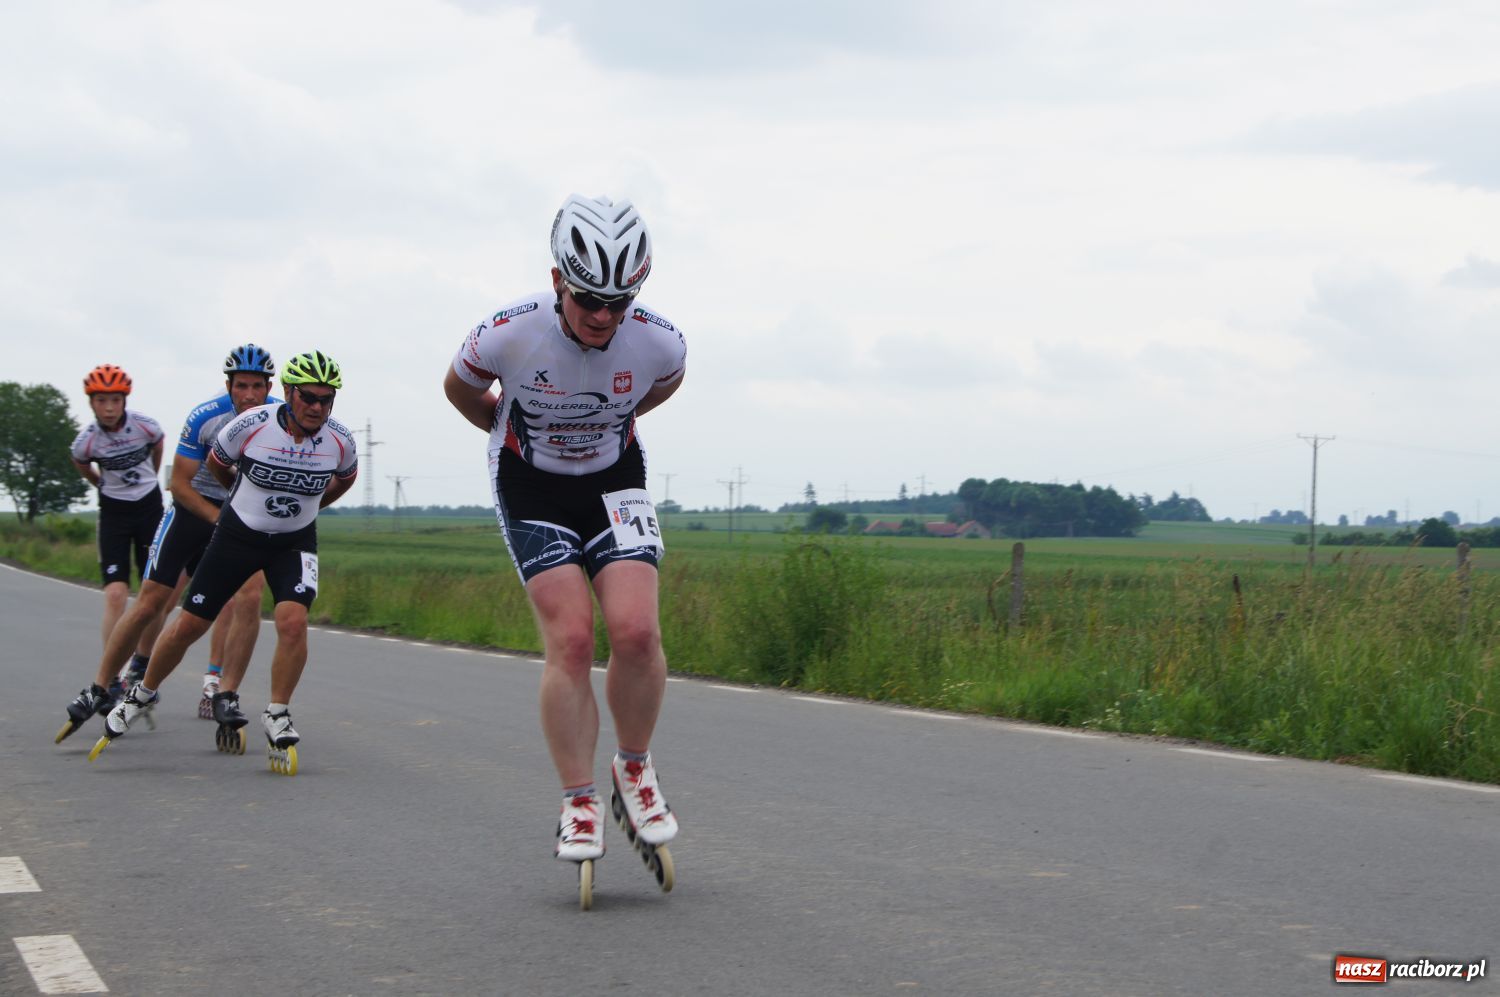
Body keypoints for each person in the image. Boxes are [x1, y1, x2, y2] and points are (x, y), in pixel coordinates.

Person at [442, 194, 687, 869]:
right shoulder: (507, 332)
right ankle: (577, 797)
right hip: (531, 479)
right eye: (588, 300)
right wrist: (511, 427)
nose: (605, 317)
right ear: (557, 281)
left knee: (637, 631)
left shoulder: (660, 340)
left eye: (620, 300)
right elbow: (460, 388)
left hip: (612, 475)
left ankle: (632, 767)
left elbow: (659, 385)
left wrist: (604, 422)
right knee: (574, 639)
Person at [95, 351, 358, 772]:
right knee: (189, 625)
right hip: (238, 536)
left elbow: (345, 478)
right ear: (288, 393)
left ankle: (278, 713)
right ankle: (141, 692)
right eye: (309, 397)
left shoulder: (340, 439)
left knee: (292, 621)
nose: (317, 407)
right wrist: (242, 504)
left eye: (327, 400)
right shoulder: (249, 426)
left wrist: (309, 506)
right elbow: (218, 466)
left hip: (294, 541)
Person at [56, 346, 278, 740]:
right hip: (194, 508)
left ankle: (226, 692)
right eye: (241, 386)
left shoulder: (279, 418)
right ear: (228, 386)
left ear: (268, 387)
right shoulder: (205, 417)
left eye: (256, 386)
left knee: (249, 594)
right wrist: (223, 522)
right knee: (152, 600)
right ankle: (101, 686)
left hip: (242, 512)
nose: (248, 395)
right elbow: (178, 483)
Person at [69, 365, 165, 676]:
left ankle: (141, 662)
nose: (109, 408)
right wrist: (102, 485)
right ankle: (113, 674)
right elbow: (82, 465)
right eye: (101, 401)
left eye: (114, 400)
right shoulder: (86, 442)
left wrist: (148, 477)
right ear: (91, 403)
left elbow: (159, 446)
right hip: (114, 512)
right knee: (115, 594)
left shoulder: (145, 426)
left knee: (151, 591)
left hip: (149, 507)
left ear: (124, 401)